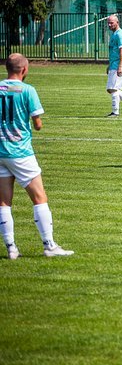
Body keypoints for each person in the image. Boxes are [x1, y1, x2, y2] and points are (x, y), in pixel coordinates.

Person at [0, 54, 73, 258]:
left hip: (0, 150)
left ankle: (11, 248)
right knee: (39, 198)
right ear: (24, 70)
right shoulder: (28, 90)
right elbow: (37, 124)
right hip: (20, 151)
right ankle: (49, 245)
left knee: (4, 202)